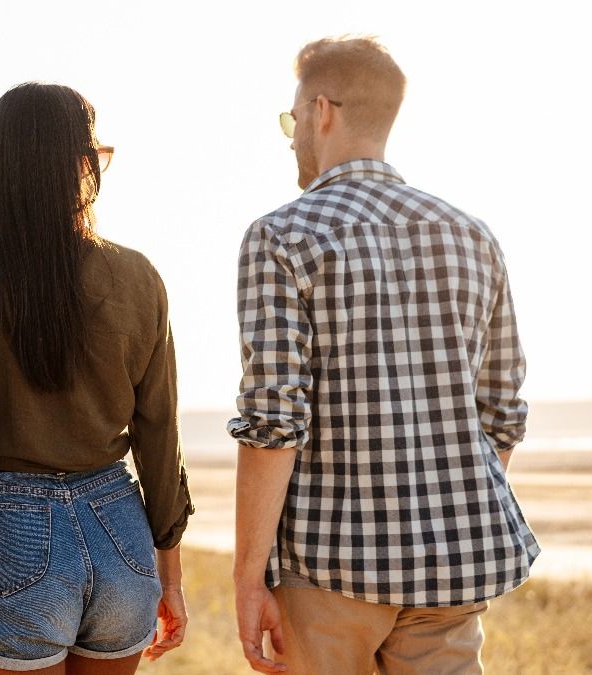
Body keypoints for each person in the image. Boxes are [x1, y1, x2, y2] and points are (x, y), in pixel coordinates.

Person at [227, 36, 540, 674]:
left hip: (328, 569)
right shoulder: (472, 236)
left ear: (322, 112)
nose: (290, 136)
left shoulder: (283, 236)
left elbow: (272, 423)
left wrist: (247, 577)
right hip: (454, 570)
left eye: (292, 119)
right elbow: (503, 412)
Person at [0, 82, 194, 675]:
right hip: (121, 533)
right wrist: (170, 576)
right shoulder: (138, 275)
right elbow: (160, 435)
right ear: (81, 166)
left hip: (11, 536)